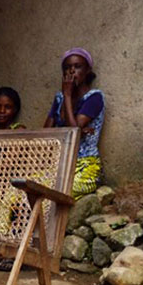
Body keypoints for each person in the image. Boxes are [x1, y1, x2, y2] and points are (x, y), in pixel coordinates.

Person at [43, 47, 105, 198]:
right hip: (60, 166)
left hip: (86, 169)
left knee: (48, 196)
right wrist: (65, 97)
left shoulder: (94, 98)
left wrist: (68, 95)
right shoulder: (59, 98)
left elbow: (73, 133)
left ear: (87, 71)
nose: (71, 71)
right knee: (14, 194)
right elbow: (46, 134)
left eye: (77, 67)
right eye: (67, 68)